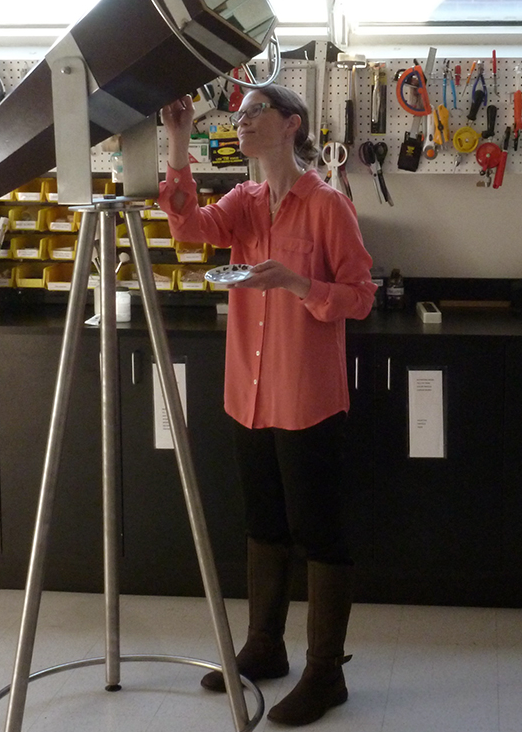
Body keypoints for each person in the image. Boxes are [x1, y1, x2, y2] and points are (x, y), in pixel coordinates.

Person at [157, 84, 376, 726]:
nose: (243, 121)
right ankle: (264, 647)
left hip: (307, 397)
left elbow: (360, 295)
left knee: (319, 532)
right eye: (240, 113)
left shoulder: (328, 205)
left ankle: (326, 673)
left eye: (255, 113)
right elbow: (188, 228)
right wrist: (177, 137)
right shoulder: (246, 202)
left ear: (291, 125)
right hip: (248, 395)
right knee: (263, 523)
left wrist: (298, 283)